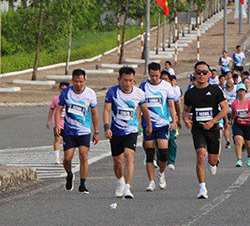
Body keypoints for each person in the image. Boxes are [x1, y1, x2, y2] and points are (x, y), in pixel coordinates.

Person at [182, 61, 229, 199]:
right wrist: (186, 119)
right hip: (198, 128)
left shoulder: (215, 90)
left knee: (212, 161)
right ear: (194, 74)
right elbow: (185, 110)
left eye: (204, 72)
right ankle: (202, 188)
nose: (201, 75)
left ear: (209, 74)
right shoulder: (190, 93)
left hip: (213, 128)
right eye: (198, 72)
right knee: (200, 155)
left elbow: (225, 109)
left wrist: (213, 121)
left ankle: (212, 160)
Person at [103, 67, 151, 199]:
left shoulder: (139, 93)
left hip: (131, 130)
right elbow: (106, 110)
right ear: (119, 79)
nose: (128, 83)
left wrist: (148, 125)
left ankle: (128, 188)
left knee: (129, 156)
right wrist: (106, 127)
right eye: (125, 80)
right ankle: (120, 181)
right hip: (116, 131)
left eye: (131, 80)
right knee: (117, 162)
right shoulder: (112, 92)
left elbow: (145, 110)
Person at [54, 69, 99, 194]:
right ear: (72, 80)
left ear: (85, 80)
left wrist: (96, 131)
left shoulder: (90, 93)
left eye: (81, 81)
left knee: (83, 155)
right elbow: (58, 109)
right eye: (76, 81)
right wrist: (57, 125)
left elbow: (94, 113)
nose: (78, 84)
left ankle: (83, 184)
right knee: (67, 158)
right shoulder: (66, 93)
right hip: (69, 131)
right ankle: (69, 174)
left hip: (84, 130)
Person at [139, 62, 177, 191]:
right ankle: (151, 181)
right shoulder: (143, 86)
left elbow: (171, 104)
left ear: (160, 73)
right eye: (152, 76)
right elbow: (140, 106)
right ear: (148, 74)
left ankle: (161, 173)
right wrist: (138, 122)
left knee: (164, 154)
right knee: (150, 154)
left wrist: (174, 120)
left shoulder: (166, 86)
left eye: (156, 75)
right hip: (148, 124)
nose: (154, 78)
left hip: (163, 124)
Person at [230, 83, 250, 167]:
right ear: (237, 92)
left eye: (242, 91)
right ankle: (239, 159)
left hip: (247, 123)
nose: (241, 93)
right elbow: (233, 113)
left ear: (245, 92)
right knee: (238, 140)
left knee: (249, 145)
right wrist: (231, 120)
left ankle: (249, 156)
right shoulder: (234, 103)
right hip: (238, 124)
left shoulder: (249, 101)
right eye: (239, 91)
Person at [46, 81, 70, 164]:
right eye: (61, 89)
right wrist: (48, 121)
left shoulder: (70, 99)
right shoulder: (56, 99)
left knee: (67, 141)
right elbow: (51, 110)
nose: (62, 91)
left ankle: (65, 157)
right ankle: (57, 158)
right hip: (57, 123)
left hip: (67, 123)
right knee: (57, 138)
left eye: (65, 89)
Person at [163, 72, 182, 170]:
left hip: (171, 119)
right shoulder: (157, 89)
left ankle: (171, 161)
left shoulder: (173, 91)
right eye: (162, 79)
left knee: (170, 139)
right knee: (159, 141)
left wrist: (178, 119)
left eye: (166, 79)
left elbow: (177, 105)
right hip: (160, 120)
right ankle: (160, 161)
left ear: (170, 81)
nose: (164, 81)